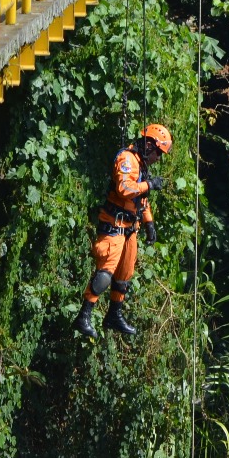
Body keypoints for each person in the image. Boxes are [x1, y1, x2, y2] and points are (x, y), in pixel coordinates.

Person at [74, 123, 172, 338]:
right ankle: (84, 316)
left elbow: (141, 200)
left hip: (130, 228)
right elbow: (125, 189)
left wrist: (149, 223)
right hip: (114, 226)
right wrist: (149, 185)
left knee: (124, 275)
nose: (158, 158)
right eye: (158, 152)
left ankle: (114, 315)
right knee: (105, 274)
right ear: (149, 145)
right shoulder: (127, 159)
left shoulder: (142, 165)